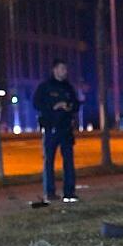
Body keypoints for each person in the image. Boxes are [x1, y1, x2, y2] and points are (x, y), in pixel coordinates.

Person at [33, 59, 80, 203]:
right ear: (54, 70)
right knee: (49, 161)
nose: (64, 72)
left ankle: (69, 192)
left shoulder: (68, 88)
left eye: (65, 69)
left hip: (66, 129)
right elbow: (37, 103)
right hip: (51, 128)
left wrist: (69, 106)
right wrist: (54, 106)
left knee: (69, 161)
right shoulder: (45, 87)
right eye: (61, 69)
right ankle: (50, 192)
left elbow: (76, 104)